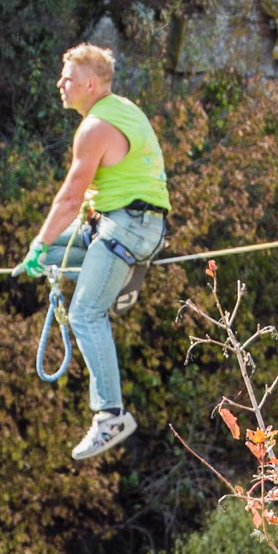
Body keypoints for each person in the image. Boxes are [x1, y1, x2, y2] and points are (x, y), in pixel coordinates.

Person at [14, 43, 170, 461]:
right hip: (115, 223)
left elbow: (70, 197)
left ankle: (110, 415)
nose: (59, 83)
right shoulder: (119, 110)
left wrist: (39, 241)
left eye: (67, 77)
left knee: (84, 312)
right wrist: (42, 251)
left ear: (89, 83)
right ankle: (117, 276)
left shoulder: (96, 126)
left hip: (129, 229)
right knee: (47, 259)